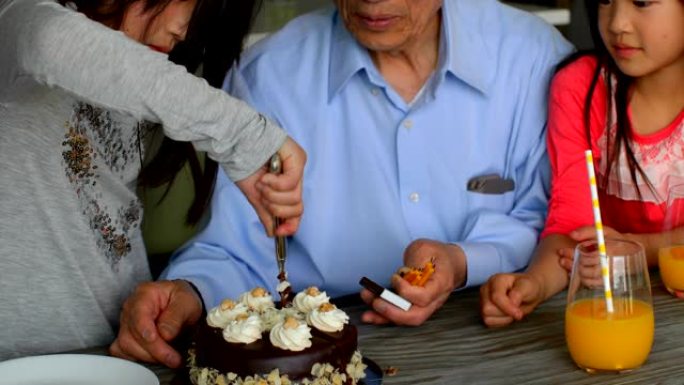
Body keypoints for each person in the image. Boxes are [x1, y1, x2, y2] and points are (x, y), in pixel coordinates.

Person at [112, 0, 573, 367]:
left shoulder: (530, 58)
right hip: (322, 351)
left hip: (516, 336)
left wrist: (461, 262)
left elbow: (556, 219)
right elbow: (235, 250)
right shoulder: (269, 76)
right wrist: (190, 293)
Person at [0, 0, 306, 361]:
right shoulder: (18, 17)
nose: (183, 28)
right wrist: (249, 138)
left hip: (121, 353)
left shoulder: (136, 82)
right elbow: (50, 38)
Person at [480, 0, 684, 328]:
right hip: (620, 313)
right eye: (605, 1)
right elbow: (571, 229)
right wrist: (534, 284)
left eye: (642, 2)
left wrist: (640, 250)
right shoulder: (581, 87)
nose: (618, 23)